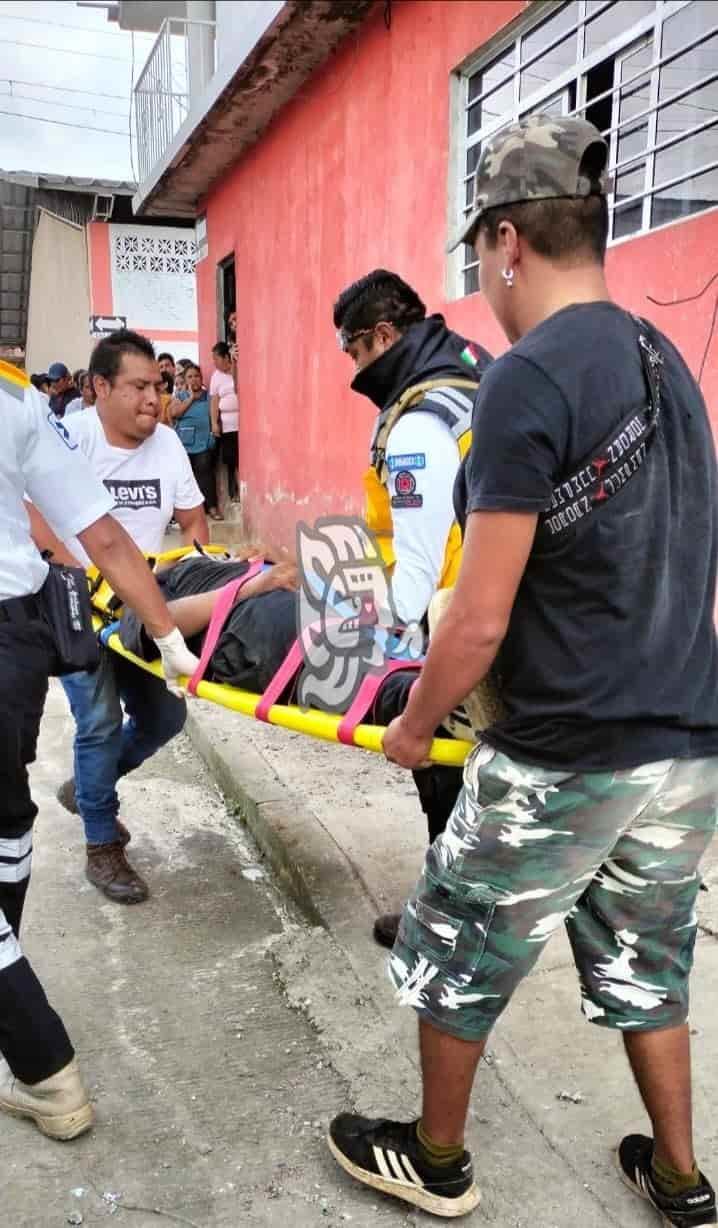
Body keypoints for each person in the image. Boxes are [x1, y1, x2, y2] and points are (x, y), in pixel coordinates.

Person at [327, 115, 718, 1225]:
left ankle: (437, 1160)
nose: (480, 282)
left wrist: (417, 726)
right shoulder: (663, 363)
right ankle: (681, 1179)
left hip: (565, 743)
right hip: (686, 739)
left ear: (506, 241)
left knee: (455, 937)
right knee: (648, 958)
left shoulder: (527, 375)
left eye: (478, 256)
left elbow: (479, 610)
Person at [0, 358, 198, 1141]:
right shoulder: (15, 395)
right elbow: (99, 532)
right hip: (20, 634)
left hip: (39, 624)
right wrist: (166, 632)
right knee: (9, 817)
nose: (152, 398)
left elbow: (141, 530)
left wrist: (166, 635)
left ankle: (43, 1066)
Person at [333, 270, 491, 948]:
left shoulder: (418, 420)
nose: (354, 369)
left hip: (455, 623)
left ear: (383, 336)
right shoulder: (471, 380)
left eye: (354, 352)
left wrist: (373, 624)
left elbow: (421, 566)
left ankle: (445, 920)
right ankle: (455, 905)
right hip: (501, 604)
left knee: (439, 769)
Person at [29, 330, 208, 906]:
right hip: (81, 609)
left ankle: (89, 787)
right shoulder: (69, 439)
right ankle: (102, 843)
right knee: (99, 720)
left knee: (164, 716)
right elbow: (34, 515)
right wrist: (73, 576)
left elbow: (194, 524)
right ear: (99, 388)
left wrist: (200, 581)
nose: (153, 399)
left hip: (145, 609)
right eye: (137, 387)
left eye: (157, 386)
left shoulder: (170, 447)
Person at [169, 363, 221, 521]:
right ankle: (188, 514)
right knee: (185, 478)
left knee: (205, 473)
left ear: (201, 378)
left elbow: (214, 414)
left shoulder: (208, 396)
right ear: (185, 380)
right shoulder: (180, 396)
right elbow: (174, 413)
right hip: (185, 444)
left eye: (196, 376)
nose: (194, 380)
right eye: (190, 377)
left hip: (204, 442)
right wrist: (190, 398)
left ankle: (212, 507)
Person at [210, 341, 239, 503]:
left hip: (243, 424)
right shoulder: (216, 376)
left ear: (226, 357)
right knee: (231, 459)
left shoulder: (238, 368)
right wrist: (214, 422)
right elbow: (214, 401)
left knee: (242, 460)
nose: (214, 362)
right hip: (227, 425)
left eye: (216, 358)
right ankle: (234, 493)